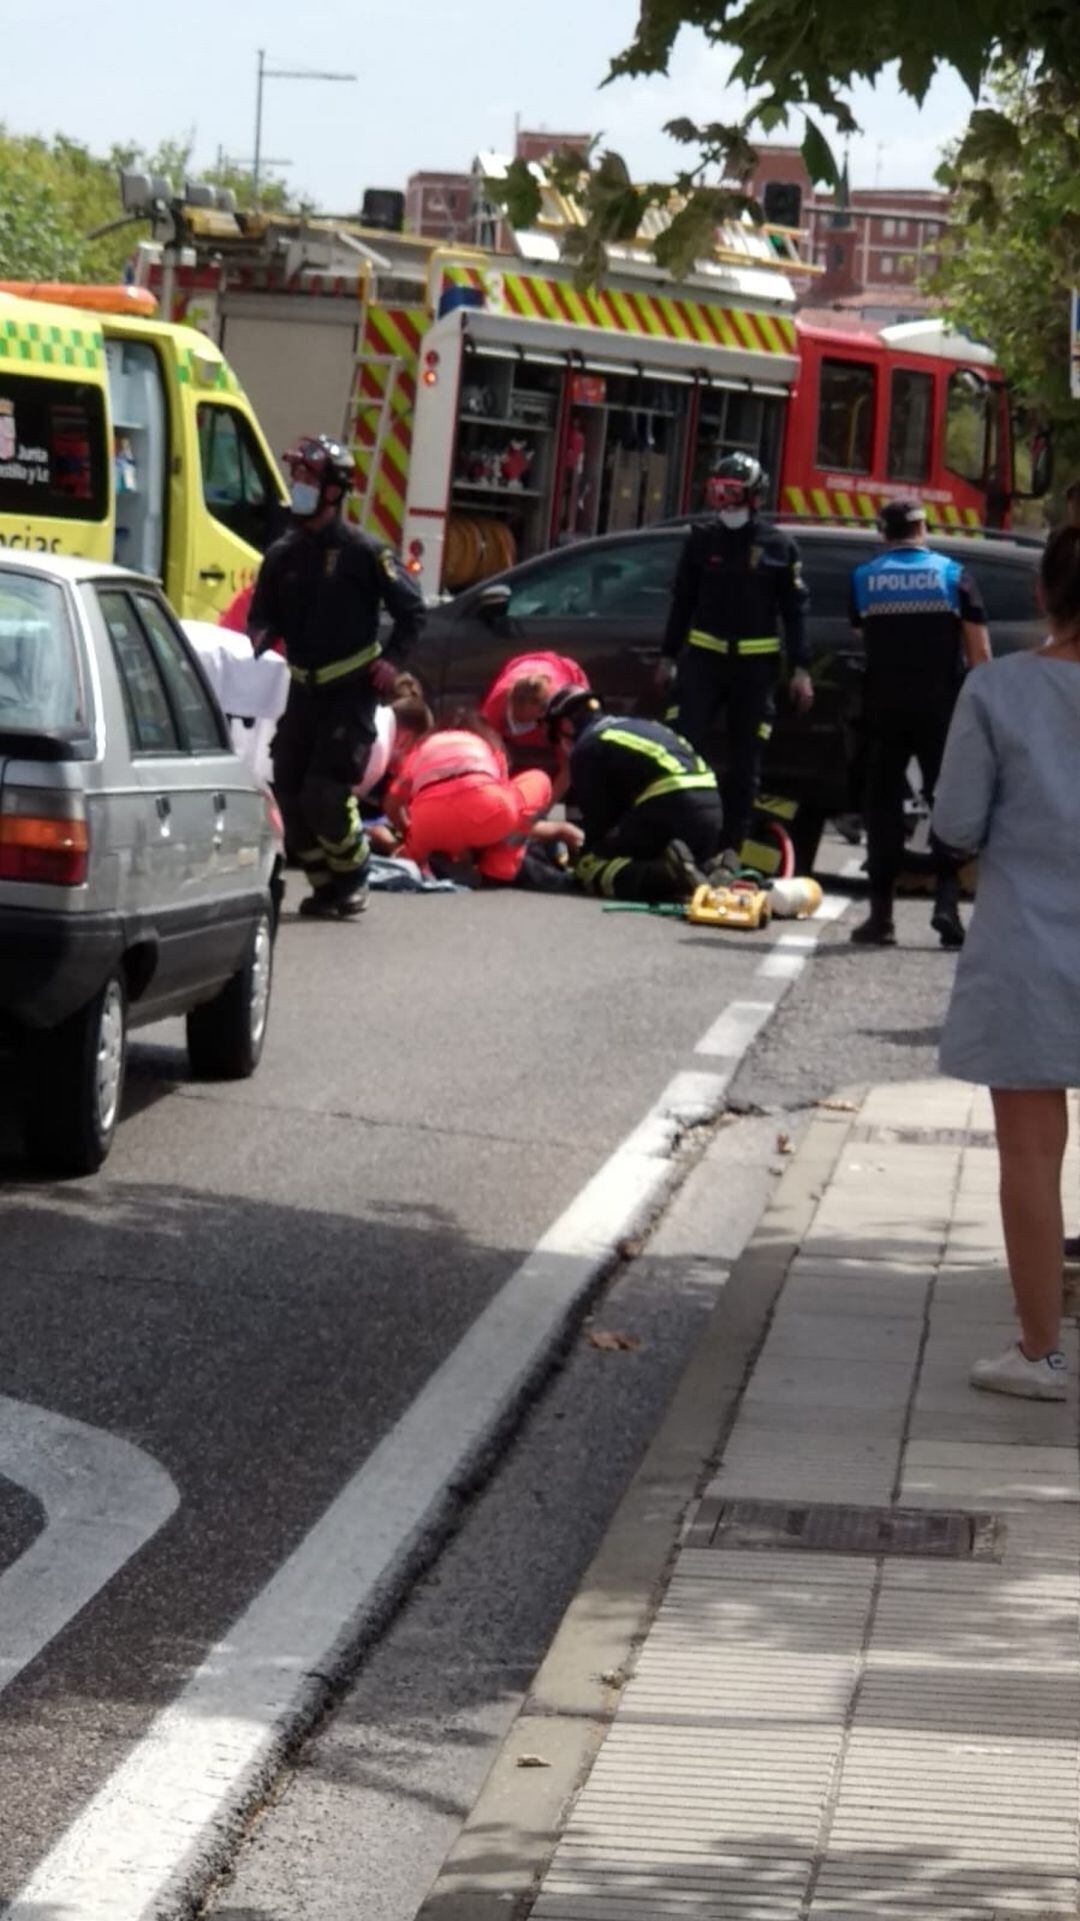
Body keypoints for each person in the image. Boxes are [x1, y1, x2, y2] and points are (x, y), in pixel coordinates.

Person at [931, 522, 1080, 1401]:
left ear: (1042, 596)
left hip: (1028, 946)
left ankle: (1039, 1354)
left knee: (1031, 1153)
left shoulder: (996, 692)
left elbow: (953, 825)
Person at [247, 434, 425, 920]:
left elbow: (413, 612)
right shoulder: (282, 555)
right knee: (287, 789)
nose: (297, 486)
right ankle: (327, 887)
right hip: (303, 690)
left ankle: (353, 877)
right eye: (296, 477)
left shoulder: (364, 552)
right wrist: (260, 636)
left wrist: (393, 660)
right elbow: (262, 615)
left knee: (325, 793)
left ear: (332, 491)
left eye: (307, 478)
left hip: (350, 694)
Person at [658, 451, 813, 868]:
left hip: (754, 672)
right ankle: (683, 837)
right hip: (703, 664)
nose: (723, 499)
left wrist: (801, 668)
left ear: (753, 496)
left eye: (732, 491)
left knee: (746, 764)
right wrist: (668, 656)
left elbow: (795, 612)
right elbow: (682, 602)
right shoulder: (701, 540)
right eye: (718, 489)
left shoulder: (778, 546)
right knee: (685, 749)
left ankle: (731, 850)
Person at [848, 497, 991, 948]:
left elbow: (862, 637)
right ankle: (946, 905)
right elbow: (980, 656)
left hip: (883, 708)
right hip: (942, 709)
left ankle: (881, 918)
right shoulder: (954, 576)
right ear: (923, 528)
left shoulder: (864, 578)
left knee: (882, 808)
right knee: (945, 803)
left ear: (884, 532)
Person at [545, 686, 722, 902]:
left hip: (671, 807)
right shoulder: (632, 726)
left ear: (565, 725)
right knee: (652, 850)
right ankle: (712, 866)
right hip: (710, 809)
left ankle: (667, 877)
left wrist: (582, 854)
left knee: (589, 867)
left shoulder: (587, 746)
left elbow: (599, 821)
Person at [387, 723, 563, 885]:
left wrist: (409, 831)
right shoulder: (488, 745)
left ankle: (415, 855)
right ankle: (499, 865)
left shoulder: (421, 749)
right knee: (538, 779)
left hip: (430, 823)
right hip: (488, 811)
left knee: (414, 850)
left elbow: (392, 802)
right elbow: (504, 793)